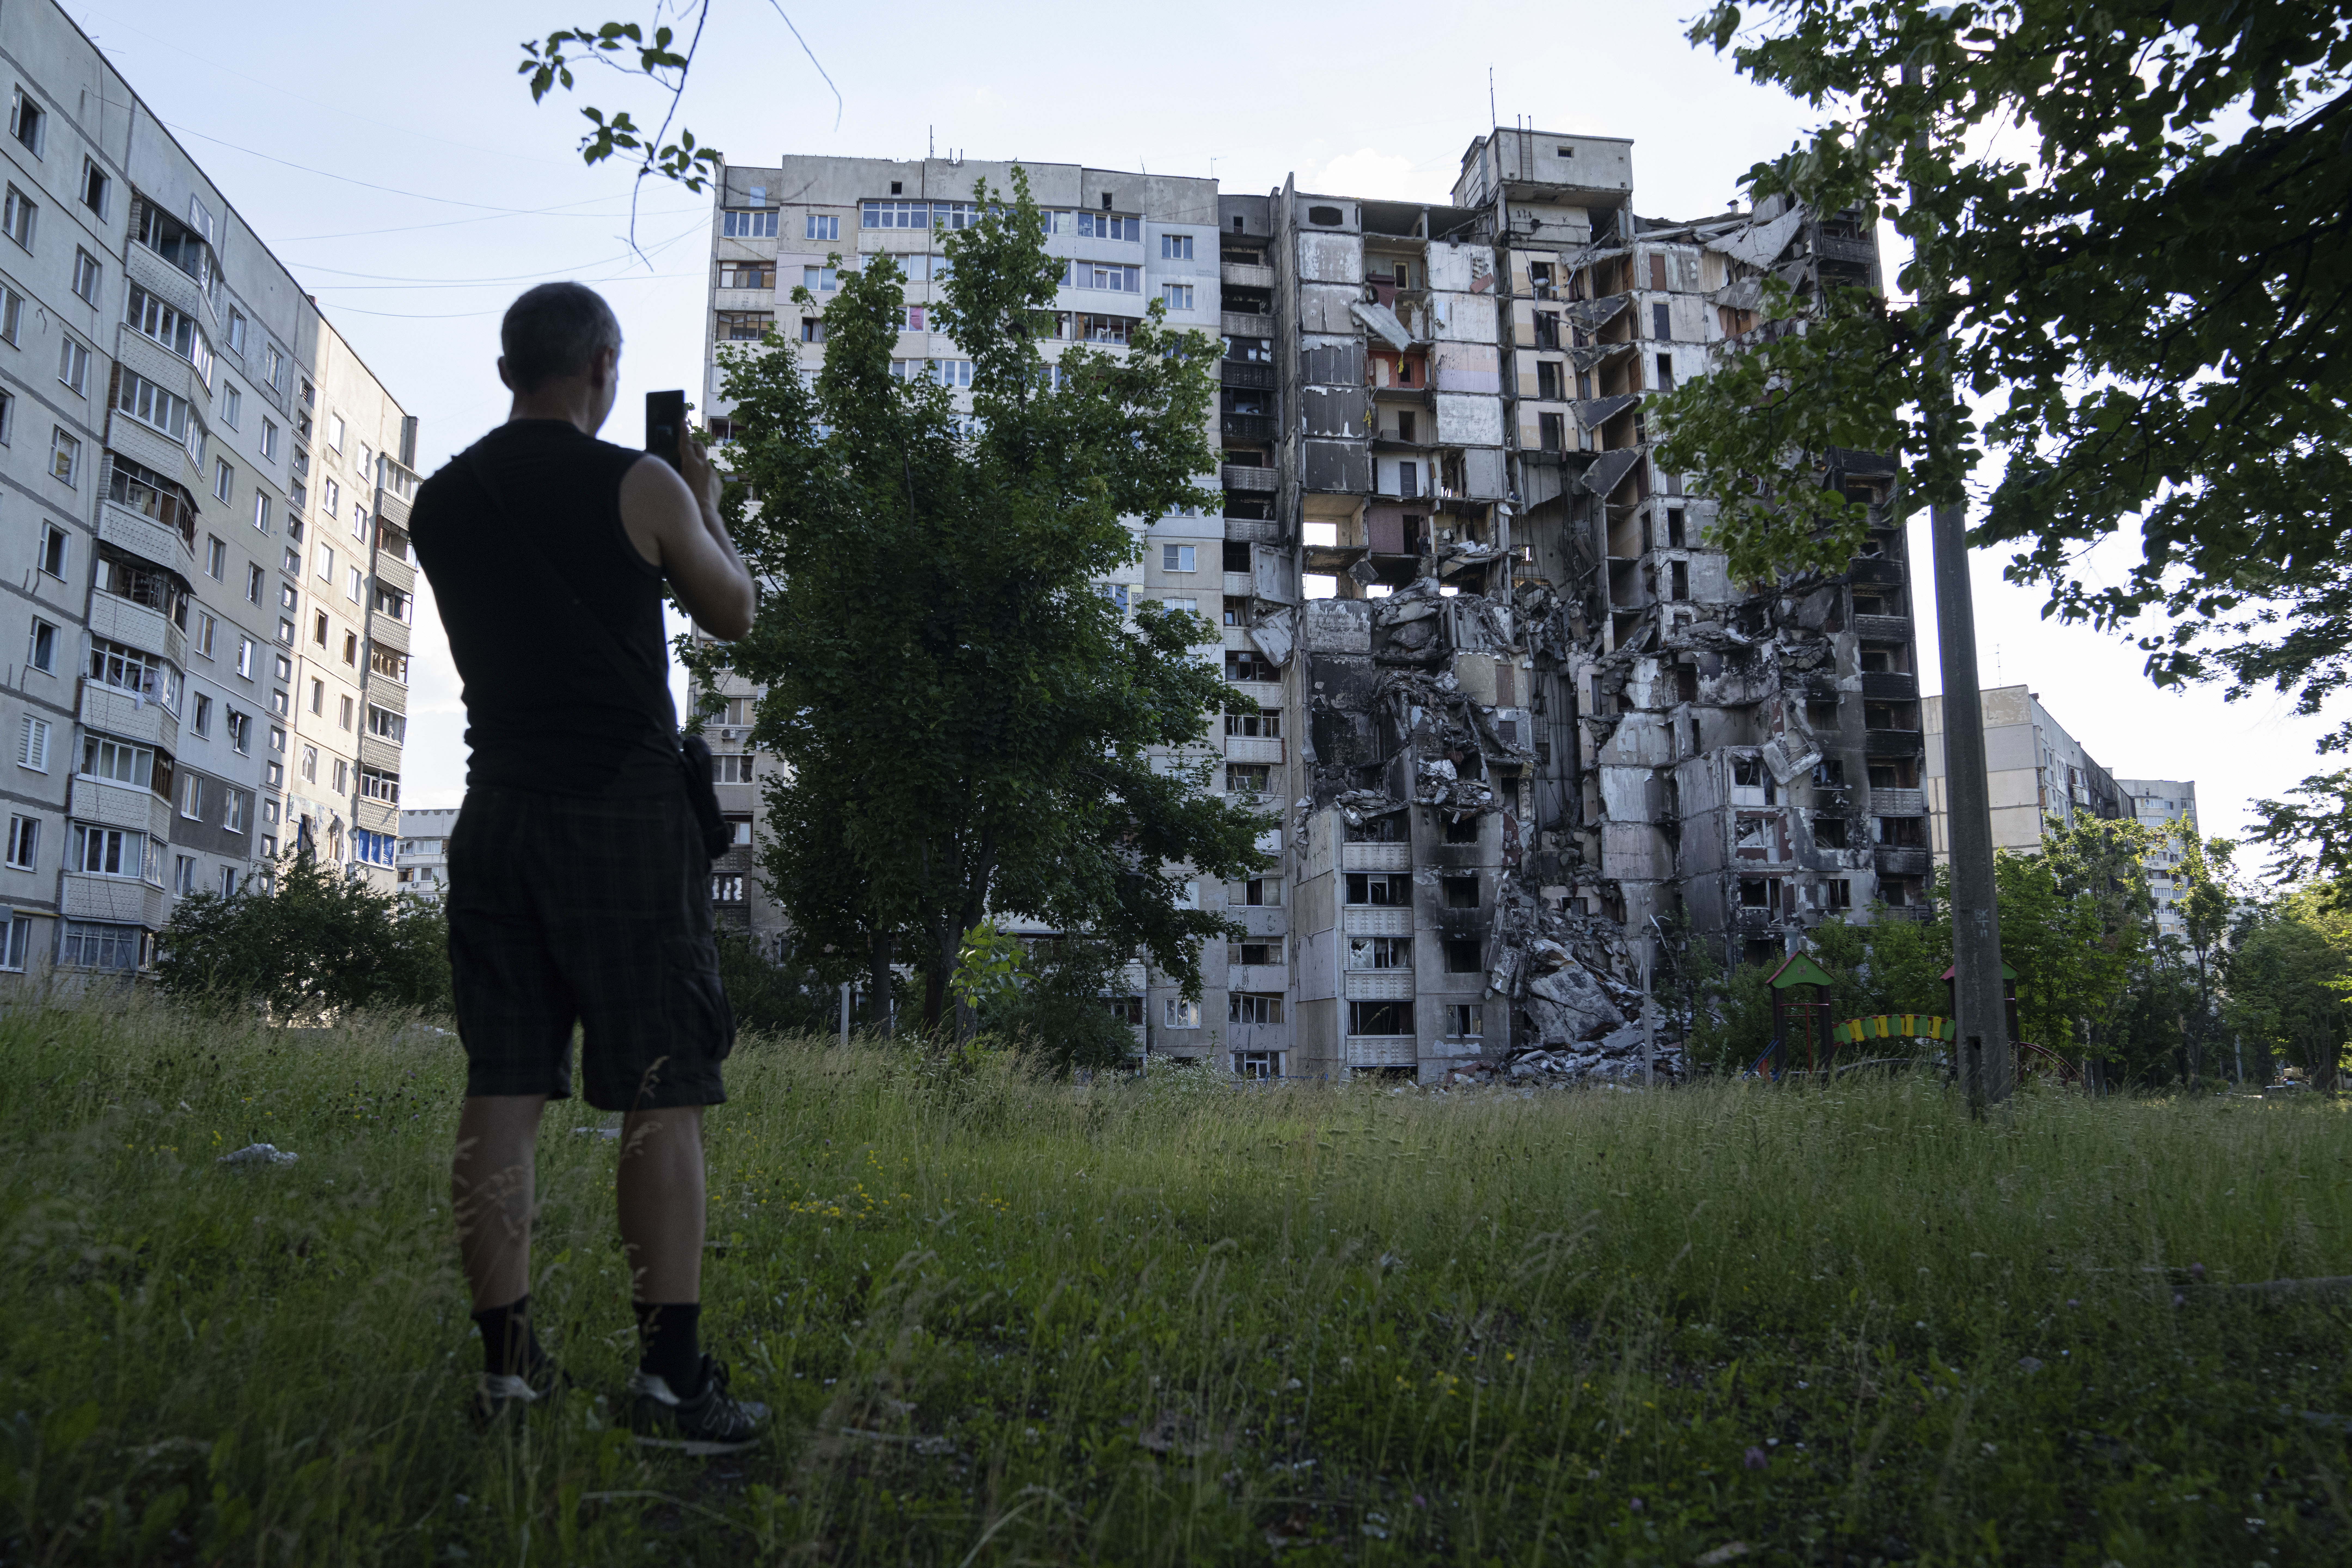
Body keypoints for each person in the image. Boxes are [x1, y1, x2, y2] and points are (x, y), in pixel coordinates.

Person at [408, 281, 767, 1451]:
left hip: (498, 813)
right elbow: (733, 612)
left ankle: (508, 1372)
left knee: (503, 1085)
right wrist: (705, 508)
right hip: (622, 816)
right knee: (662, 1088)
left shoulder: (442, 501)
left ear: (508, 368)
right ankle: (670, 1382)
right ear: (604, 366)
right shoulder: (642, 483)